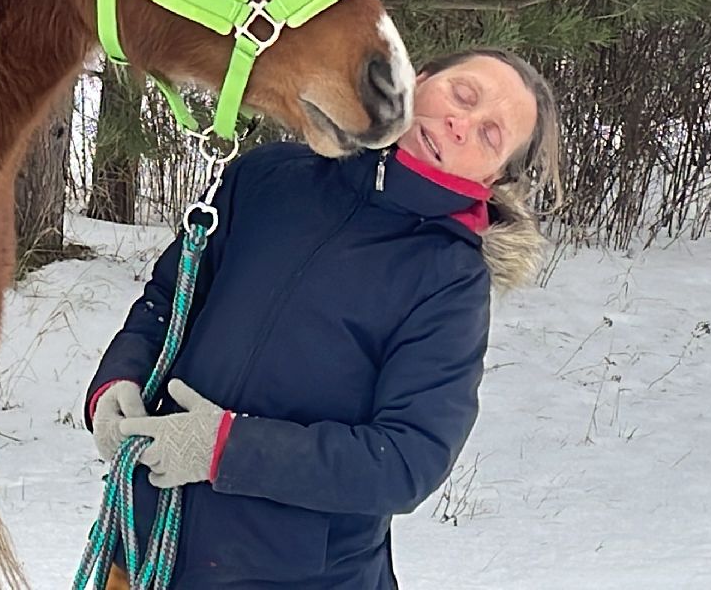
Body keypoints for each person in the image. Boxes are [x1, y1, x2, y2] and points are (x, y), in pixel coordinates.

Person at [85, 48, 562, 589]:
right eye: (463, 95)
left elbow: (407, 459)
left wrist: (227, 450)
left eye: (489, 135)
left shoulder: (449, 279)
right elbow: (171, 298)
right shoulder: (267, 176)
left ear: (494, 176)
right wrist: (118, 379)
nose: (460, 124)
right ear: (420, 78)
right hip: (142, 548)